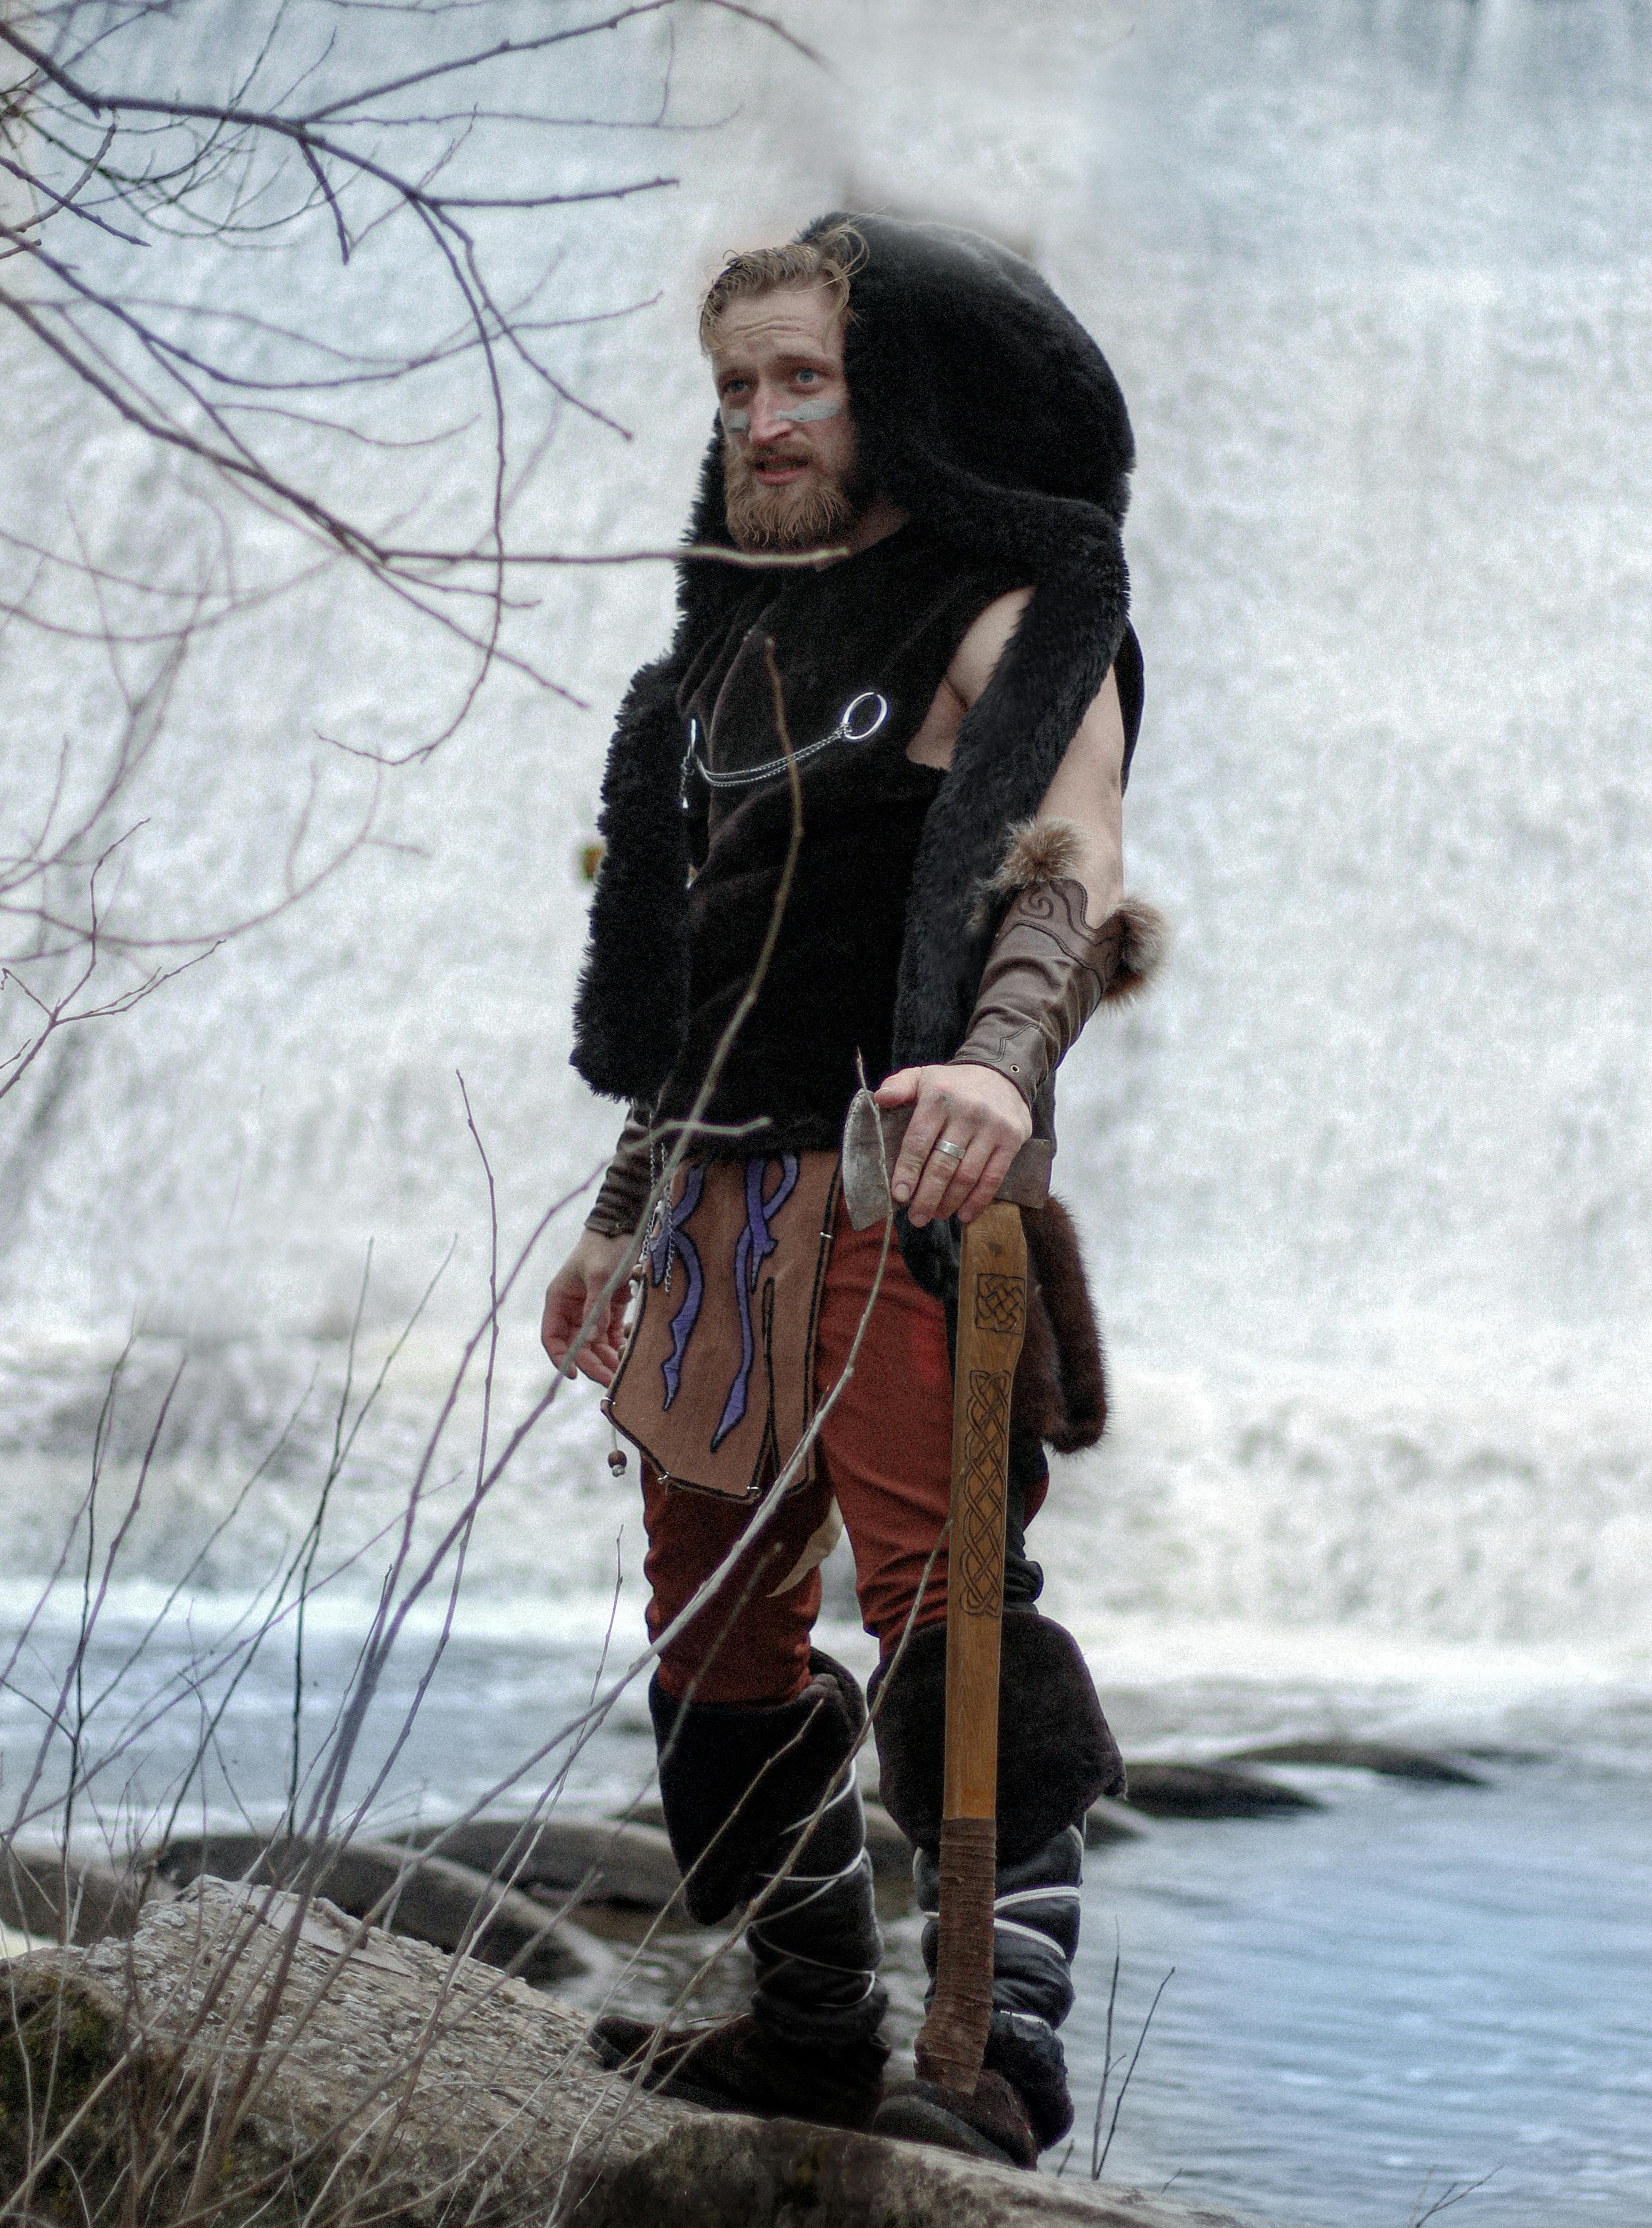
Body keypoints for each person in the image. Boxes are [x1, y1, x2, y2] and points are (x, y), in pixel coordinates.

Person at [541, 213, 1165, 2169]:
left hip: (912, 1193)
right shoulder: (711, 666)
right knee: (712, 1638)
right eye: (737, 389)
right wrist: (622, 1206)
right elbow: (702, 987)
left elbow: (1067, 868)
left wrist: (995, 1064)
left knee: (948, 1614)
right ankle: (812, 2025)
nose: (764, 420)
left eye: (802, 377)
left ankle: (995, 2056)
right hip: (720, 1220)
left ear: (887, 392)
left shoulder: (1001, 621)